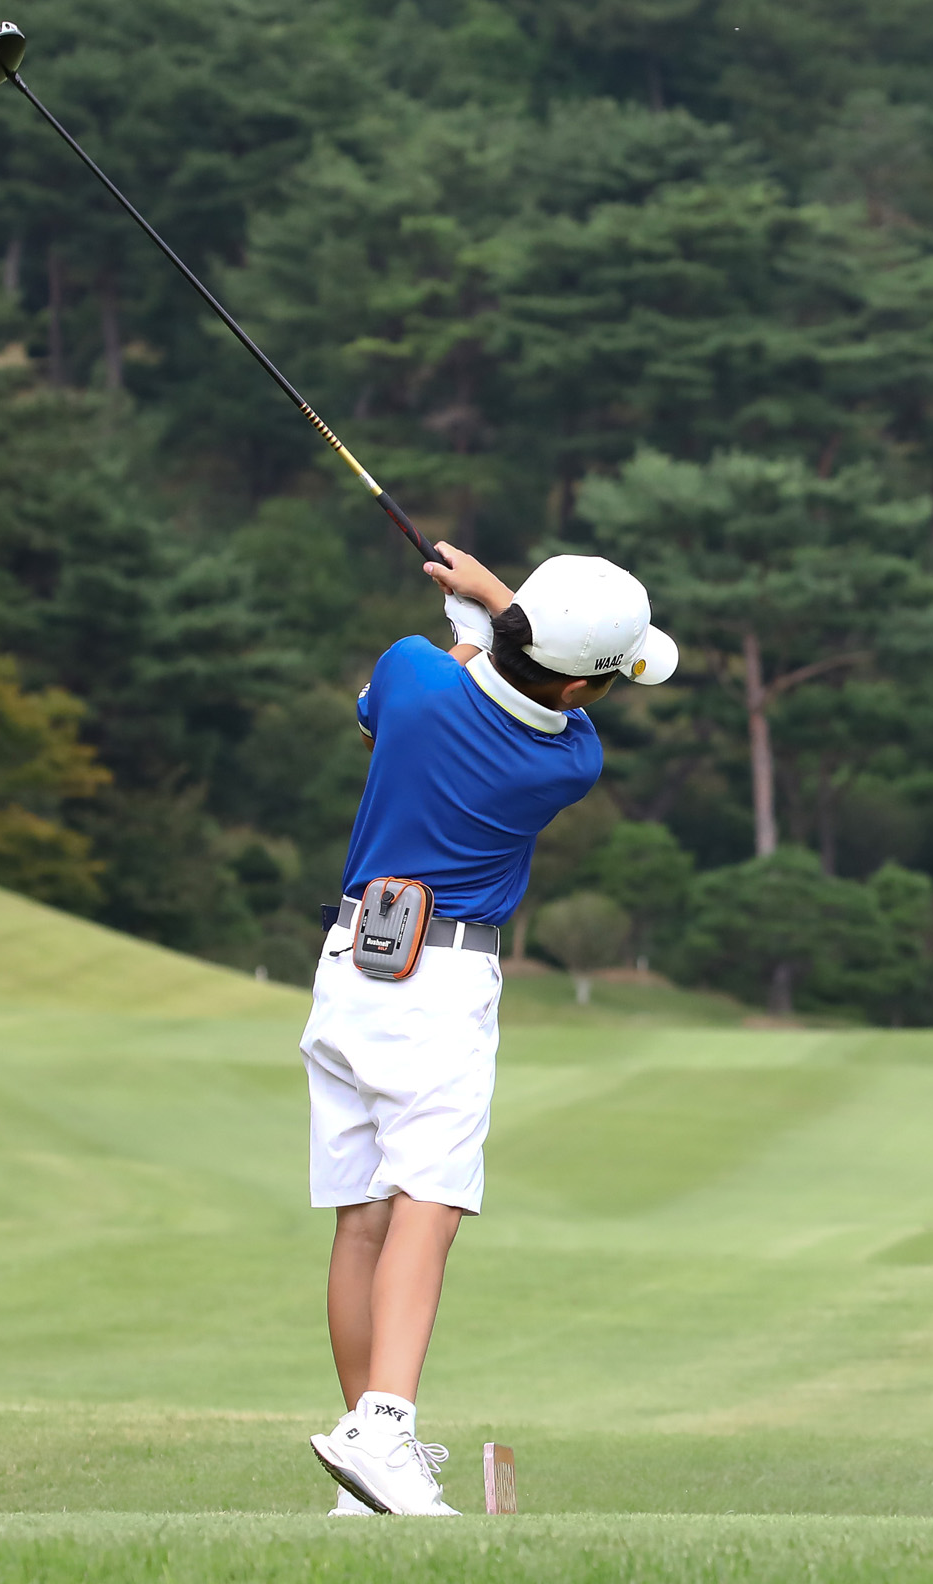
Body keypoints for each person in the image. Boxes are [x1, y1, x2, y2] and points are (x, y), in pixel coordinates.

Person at [301, 542, 676, 1516]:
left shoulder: (410, 671)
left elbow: (421, 701)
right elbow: (531, 687)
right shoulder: (570, 759)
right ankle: (381, 1430)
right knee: (429, 1199)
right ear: (584, 683)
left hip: (349, 966)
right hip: (438, 982)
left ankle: (364, 1473)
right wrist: (493, 607)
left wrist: (480, 616)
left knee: (361, 1219)